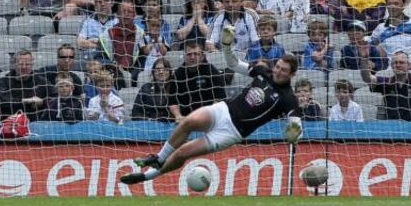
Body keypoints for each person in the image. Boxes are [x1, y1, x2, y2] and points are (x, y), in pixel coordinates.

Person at [121, 32, 297, 186]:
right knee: (189, 121)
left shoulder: (289, 99)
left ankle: (147, 176)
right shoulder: (263, 72)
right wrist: (227, 45)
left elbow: (297, 128)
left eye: (284, 70)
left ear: (291, 74)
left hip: (232, 132)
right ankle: (158, 158)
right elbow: (233, 64)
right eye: (278, 67)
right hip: (224, 109)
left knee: (183, 152)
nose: (278, 71)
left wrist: (294, 134)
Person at [0, 49, 49, 120]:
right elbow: (3, 101)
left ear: (32, 65)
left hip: (33, 122)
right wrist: (28, 100)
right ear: (14, 64)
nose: (24, 67)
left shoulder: (42, 81)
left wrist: (42, 102)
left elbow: (54, 98)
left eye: (27, 64)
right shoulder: (3, 81)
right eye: (20, 64)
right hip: (6, 121)